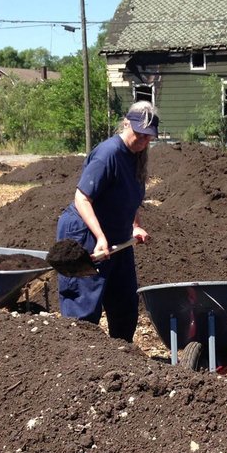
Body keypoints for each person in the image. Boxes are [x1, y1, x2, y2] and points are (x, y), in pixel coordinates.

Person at [55, 100, 157, 341]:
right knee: (84, 304)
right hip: (86, 233)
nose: (143, 140)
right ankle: (79, 357)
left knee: (125, 304)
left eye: (148, 137)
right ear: (126, 124)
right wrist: (100, 238)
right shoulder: (108, 154)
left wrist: (135, 226)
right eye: (139, 134)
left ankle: (121, 354)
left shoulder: (137, 157)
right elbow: (82, 198)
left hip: (118, 237)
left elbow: (128, 197)